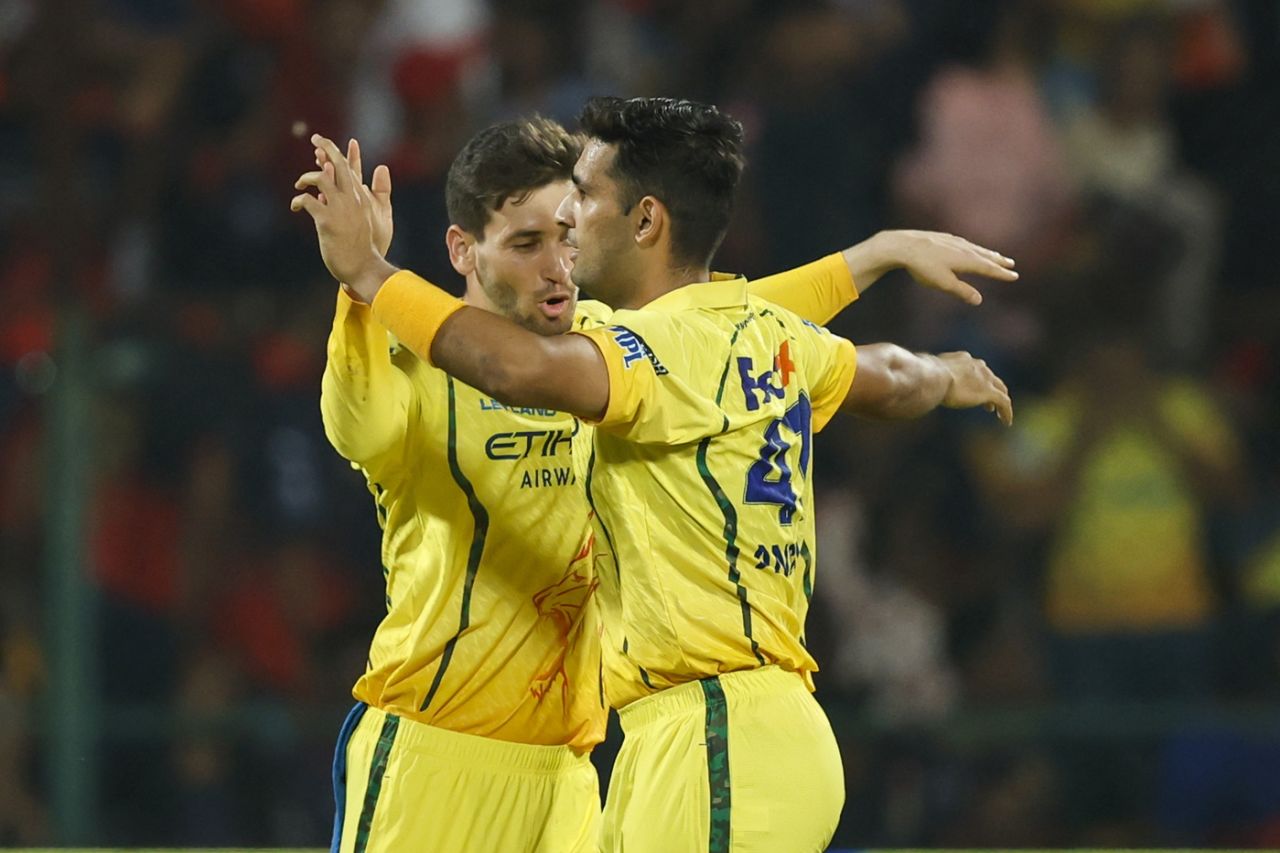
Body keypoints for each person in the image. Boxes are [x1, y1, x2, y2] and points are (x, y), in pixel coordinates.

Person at [296, 97, 1014, 852]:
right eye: (528, 240)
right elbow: (765, 333)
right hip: (451, 752)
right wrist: (358, 285)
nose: (561, 254)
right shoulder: (421, 366)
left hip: (631, 749)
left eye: (573, 219)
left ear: (640, 222)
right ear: (462, 251)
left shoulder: (607, 352)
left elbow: (642, 336)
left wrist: (375, 272)